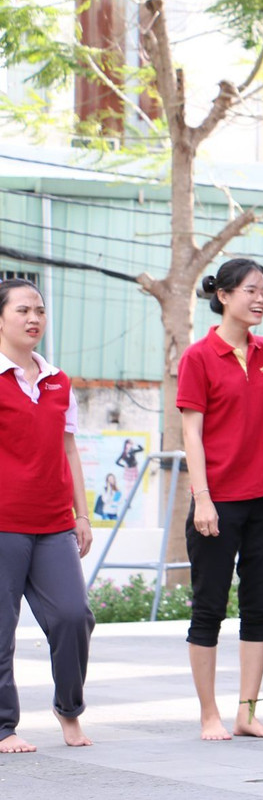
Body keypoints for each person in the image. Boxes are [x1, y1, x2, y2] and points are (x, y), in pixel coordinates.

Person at [177, 259, 263, 741]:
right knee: (209, 610)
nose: (260, 299)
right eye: (251, 291)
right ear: (223, 295)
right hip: (217, 501)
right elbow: (191, 434)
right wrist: (202, 498)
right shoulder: (199, 357)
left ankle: (246, 712)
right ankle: (209, 715)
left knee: (258, 609)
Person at [0, 279, 94, 753]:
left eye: (39, 310)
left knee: (74, 617)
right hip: (3, 522)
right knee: (1, 627)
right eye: (22, 310)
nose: (34, 318)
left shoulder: (58, 380)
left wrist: (83, 514)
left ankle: (68, 708)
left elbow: (69, 448)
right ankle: (3, 726)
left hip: (55, 521)